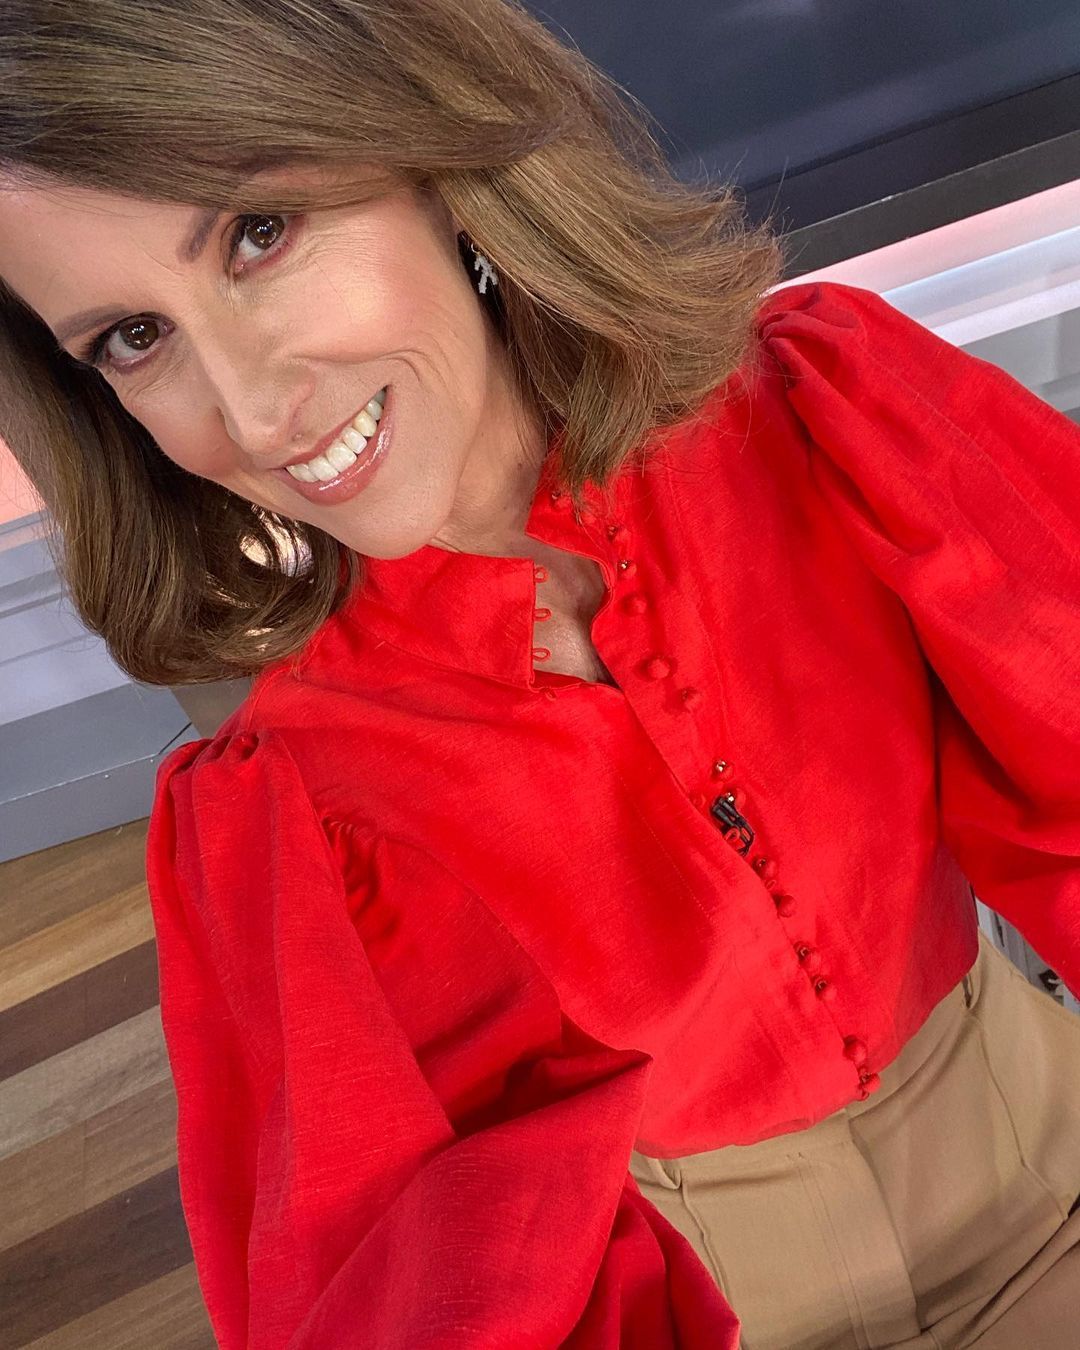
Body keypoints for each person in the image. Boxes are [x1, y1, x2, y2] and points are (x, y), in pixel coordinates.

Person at [1, 2, 1078, 1347]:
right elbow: (426, 1281)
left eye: (258, 233)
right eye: (132, 337)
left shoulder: (829, 415)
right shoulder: (293, 810)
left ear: (435, 157)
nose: (255, 412)